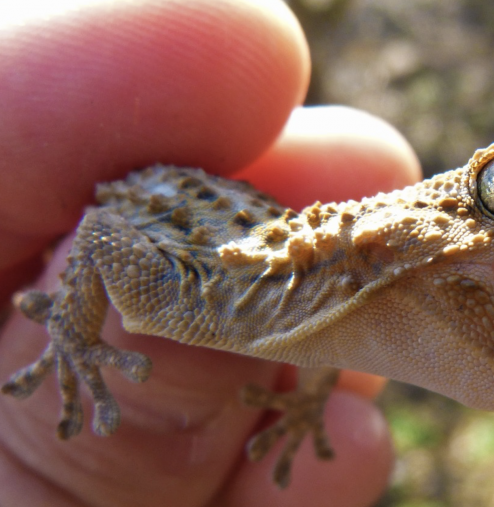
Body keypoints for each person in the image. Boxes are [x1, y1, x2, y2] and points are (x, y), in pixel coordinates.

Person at [0, 1, 421, 505]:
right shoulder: (218, 290)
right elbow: (97, 234)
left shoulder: (321, 308)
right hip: (147, 206)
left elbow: (326, 338)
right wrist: (75, 333)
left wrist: (307, 402)